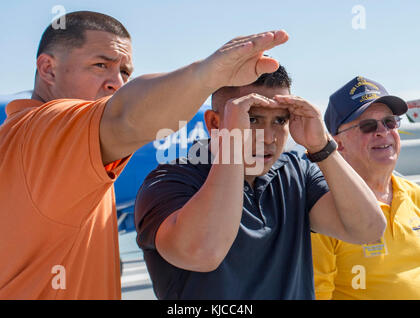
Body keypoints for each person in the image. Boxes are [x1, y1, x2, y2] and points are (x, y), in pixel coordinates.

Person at [0, 10, 291, 299]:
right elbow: (127, 115)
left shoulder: (45, 144)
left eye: (125, 72)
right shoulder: (44, 131)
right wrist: (208, 74)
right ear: (48, 69)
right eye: (100, 65)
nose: (117, 83)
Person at [134, 67, 386, 299]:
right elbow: (203, 253)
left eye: (280, 120)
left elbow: (368, 230)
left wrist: (322, 147)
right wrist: (232, 147)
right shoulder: (169, 181)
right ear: (214, 123)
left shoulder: (296, 171)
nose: (268, 138)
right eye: (251, 119)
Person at [311, 76, 420, 300]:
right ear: (337, 144)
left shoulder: (414, 195)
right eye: (368, 126)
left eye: (389, 122)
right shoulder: (326, 211)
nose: (383, 131)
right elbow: (318, 294)